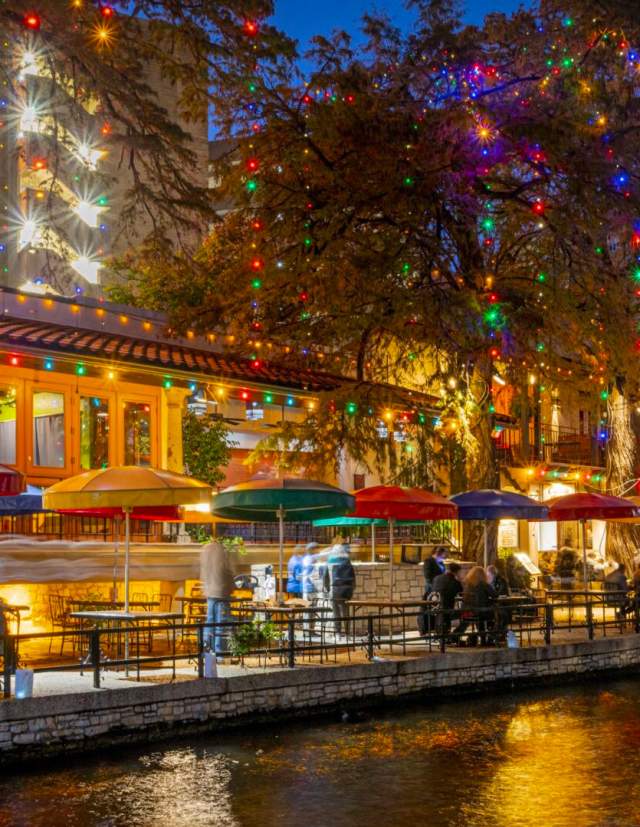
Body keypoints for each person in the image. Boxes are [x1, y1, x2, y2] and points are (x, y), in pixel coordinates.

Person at [200, 540, 236, 659]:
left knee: (210, 622)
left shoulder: (205, 551)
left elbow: (203, 572)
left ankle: (208, 651)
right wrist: (232, 584)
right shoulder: (220, 552)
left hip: (210, 592)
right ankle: (219, 653)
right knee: (220, 624)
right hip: (221, 592)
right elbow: (226, 571)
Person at [453, 566, 497, 646]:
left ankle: (453, 637)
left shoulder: (467, 584)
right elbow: (494, 595)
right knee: (496, 615)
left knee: (473, 618)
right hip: (479, 612)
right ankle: (488, 638)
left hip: (466, 612)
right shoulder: (483, 584)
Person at [325, 542, 356, 637]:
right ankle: (347, 632)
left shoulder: (330, 561)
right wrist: (352, 588)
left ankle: (337, 632)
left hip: (335, 590)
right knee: (345, 612)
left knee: (336, 613)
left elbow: (326, 577)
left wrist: (327, 589)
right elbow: (353, 577)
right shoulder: (347, 561)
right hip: (346, 591)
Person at [431, 562, 463, 637]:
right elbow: (462, 594)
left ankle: (444, 634)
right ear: (456, 572)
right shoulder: (454, 582)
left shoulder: (436, 578)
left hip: (434, 608)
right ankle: (455, 635)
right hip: (447, 610)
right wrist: (460, 579)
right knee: (467, 614)